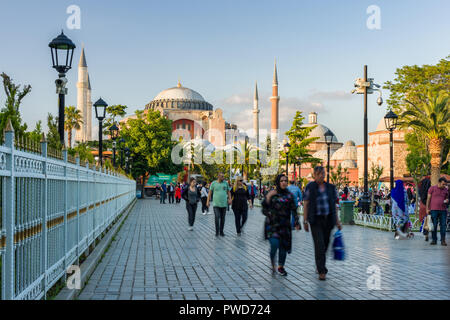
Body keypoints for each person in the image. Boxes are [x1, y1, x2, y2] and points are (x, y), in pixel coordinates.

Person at [303, 166, 342, 281]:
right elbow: (306, 203)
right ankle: (322, 270)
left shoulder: (330, 187)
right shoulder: (310, 187)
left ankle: (319, 263)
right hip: (315, 220)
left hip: (328, 220)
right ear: (314, 175)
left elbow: (334, 205)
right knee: (319, 245)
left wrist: (337, 221)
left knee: (325, 244)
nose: (321, 175)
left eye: (323, 173)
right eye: (319, 173)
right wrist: (305, 220)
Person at [262, 174, 300, 276]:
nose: (284, 182)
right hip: (272, 225)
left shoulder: (289, 195)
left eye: (285, 181)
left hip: (285, 226)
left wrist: (296, 222)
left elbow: (294, 210)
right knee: (274, 244)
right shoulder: (272, 193)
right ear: (278, 182)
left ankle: (280, 267)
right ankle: (272, 264)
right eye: (282, 181)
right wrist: (268, 197)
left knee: (283, 248)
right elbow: (264, 208)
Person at [207, 172, 232, 237]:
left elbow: (228, 192)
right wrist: (208, 201)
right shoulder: (213, 183)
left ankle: (221, 231)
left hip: (224, 204)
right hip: (216, 204)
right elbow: (210, 193)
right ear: (218, 177)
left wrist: (230, 199)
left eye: (223, 176)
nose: (223, 178)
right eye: (222, 176)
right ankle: (217, 231)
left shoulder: (225, 183)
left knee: (223, 218)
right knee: (217, 217)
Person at [426, 177, 449, 246]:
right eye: (443, 184)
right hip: (434, 210)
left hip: (443, 210)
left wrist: (447, 201)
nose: (444, 186)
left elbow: (447, 198)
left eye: (445, 184)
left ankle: (443, 240)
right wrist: (427, 209)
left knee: (443, 225)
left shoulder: (446, 190)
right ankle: (434, 240)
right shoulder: (432, 188)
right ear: (439, 182)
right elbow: (428, 199)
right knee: (434, 225)